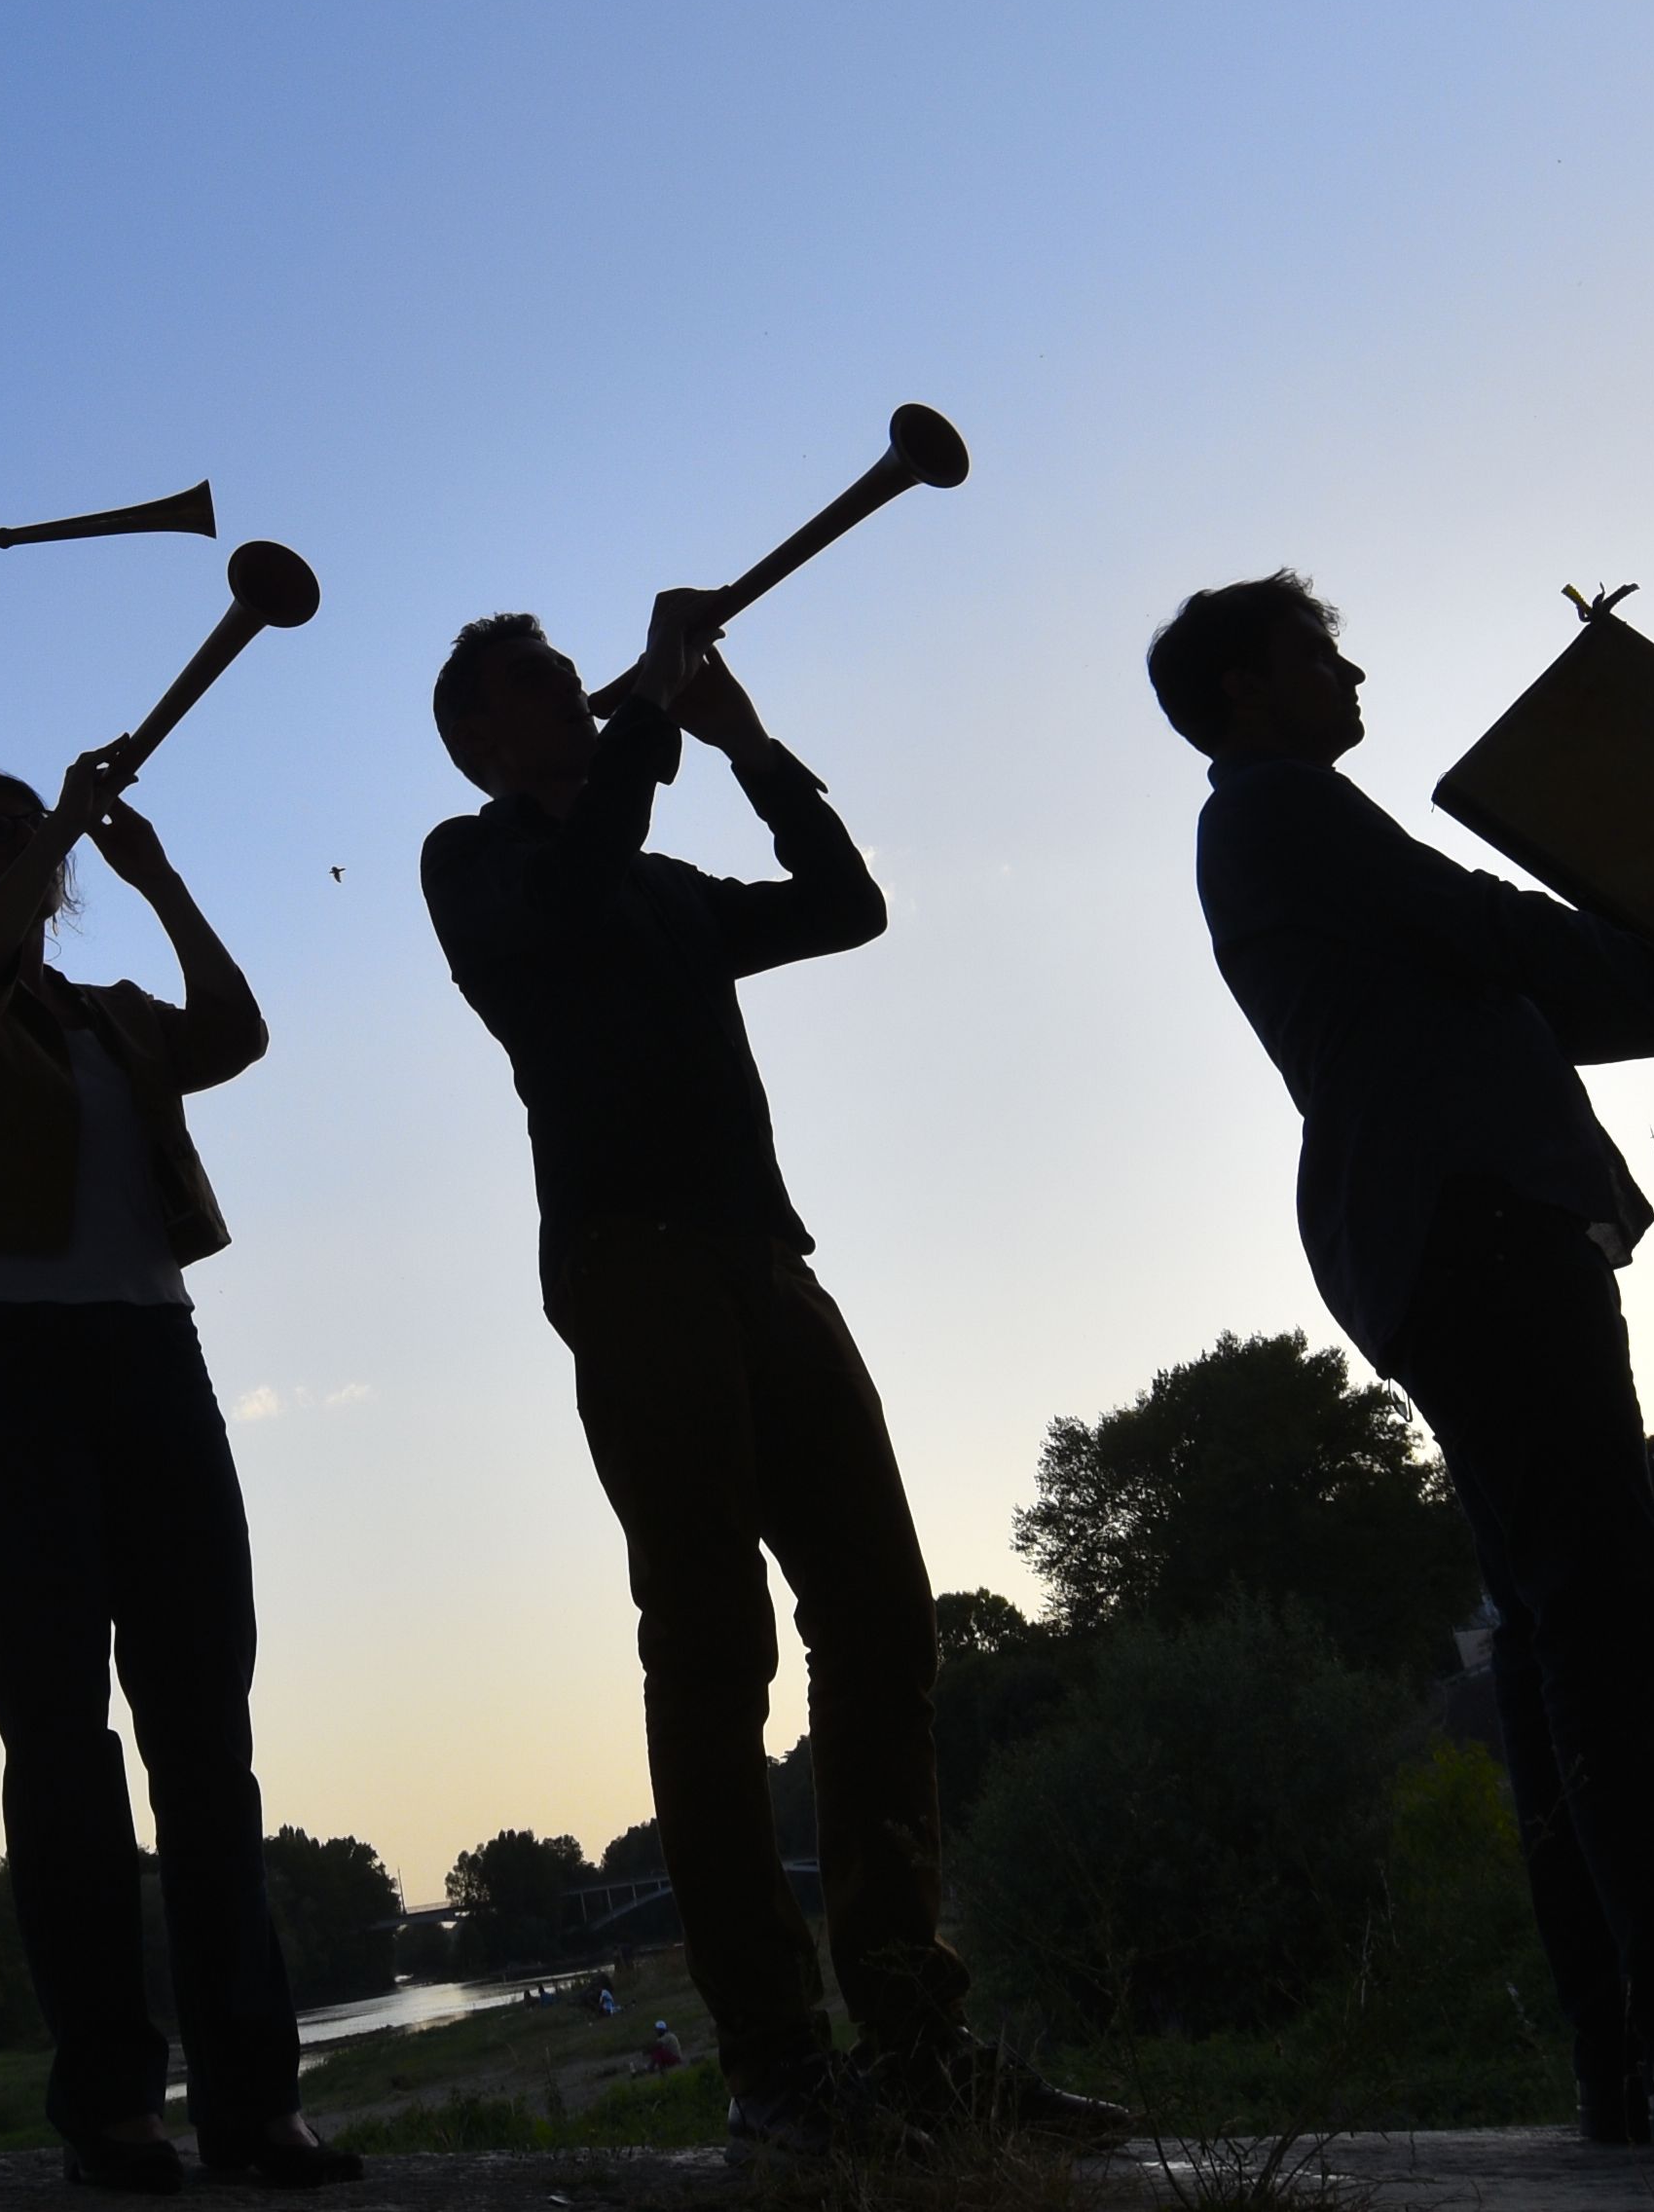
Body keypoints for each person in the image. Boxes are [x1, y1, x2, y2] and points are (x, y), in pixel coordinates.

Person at [1145, 571, 1654, 2157]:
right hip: (1479, 1228)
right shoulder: (1286, 814)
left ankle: (1628, 2060)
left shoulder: (1289, 830)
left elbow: (1505, 984)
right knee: (1603, 1636)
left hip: (1436, 1235)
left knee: (1553, 1654)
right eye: (1323, 647)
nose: (1355, 663)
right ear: (1249, 687)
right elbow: (1507, 934)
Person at [420, 602, 1127, 2166]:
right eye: (546, 688)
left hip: (762, 1254)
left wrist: (747, 741)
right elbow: (580, 882)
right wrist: (660, 717)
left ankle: (918, 2041)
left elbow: (848, 903)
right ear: (483, 740)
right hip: (629, 1262)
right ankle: (777, 2064)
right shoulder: (475, 867)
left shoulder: (667, 873)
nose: (577, 696)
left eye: (574, 678)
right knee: (711, 1641)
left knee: (882, 1616)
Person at [0, 759, 357, 2195]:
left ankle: (254, 2106)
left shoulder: (114, 1015)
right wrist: (54, 838)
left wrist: (151, 872)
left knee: (206, 1741)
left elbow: (238, 1028)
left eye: (33, 829)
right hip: (7, 1371)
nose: (25, 847)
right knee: (63, 1746)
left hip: (157, 1363)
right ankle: (110, 2107)